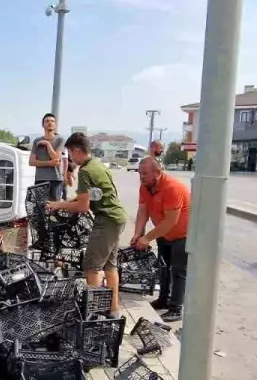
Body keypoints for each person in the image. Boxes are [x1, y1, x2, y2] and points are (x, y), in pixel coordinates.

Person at [47, 132, 129, 314]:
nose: (70, 157)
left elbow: (83, 207)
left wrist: (58, 205)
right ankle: (113, 310)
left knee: (92, 267)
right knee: (110, 265)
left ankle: (93, 313)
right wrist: (70, 201)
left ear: (77, 150)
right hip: (117, 218)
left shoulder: (85, 171)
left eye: (70, 153)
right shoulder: (97, 164)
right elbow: (95, 195)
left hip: (106, 219)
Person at [130, 157, 189, 321]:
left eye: (145, 173)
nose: (141, 177)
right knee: (163, 267)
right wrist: (138, 233)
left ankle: (176, 308)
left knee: (178, 271)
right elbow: (143, 211)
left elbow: (171, 221)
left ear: (157, 172)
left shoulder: (172, 187)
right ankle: (163, 299)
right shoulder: (145, 187)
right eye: (140, 173)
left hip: (183, 234)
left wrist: (147, 238)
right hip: (163, 233)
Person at [30, 113, 67, 201]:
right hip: (40, 179)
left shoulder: (60, 139)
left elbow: (56, 159)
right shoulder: (37, 141)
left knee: (55, 205)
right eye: (47, 121)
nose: (50, 123)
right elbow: (31, 162)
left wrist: (47, 144)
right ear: (43, 124)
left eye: (52, 121)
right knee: (41, 206)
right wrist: (49, 163)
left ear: (55, 124)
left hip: (56, 179)